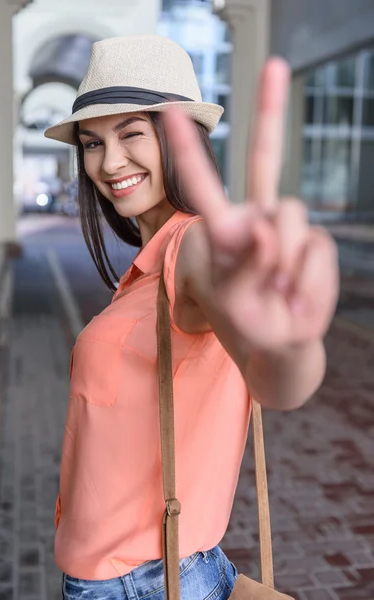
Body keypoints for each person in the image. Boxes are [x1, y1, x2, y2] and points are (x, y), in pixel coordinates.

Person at [45, 34, 339, 600]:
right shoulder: (146, 272)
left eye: (132, 133)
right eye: (91, 143)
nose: (108, 163)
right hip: (182, 567)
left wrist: (292, 345)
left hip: (143, 585)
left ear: (180, 140)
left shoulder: (192, 251)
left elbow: (273, 377)